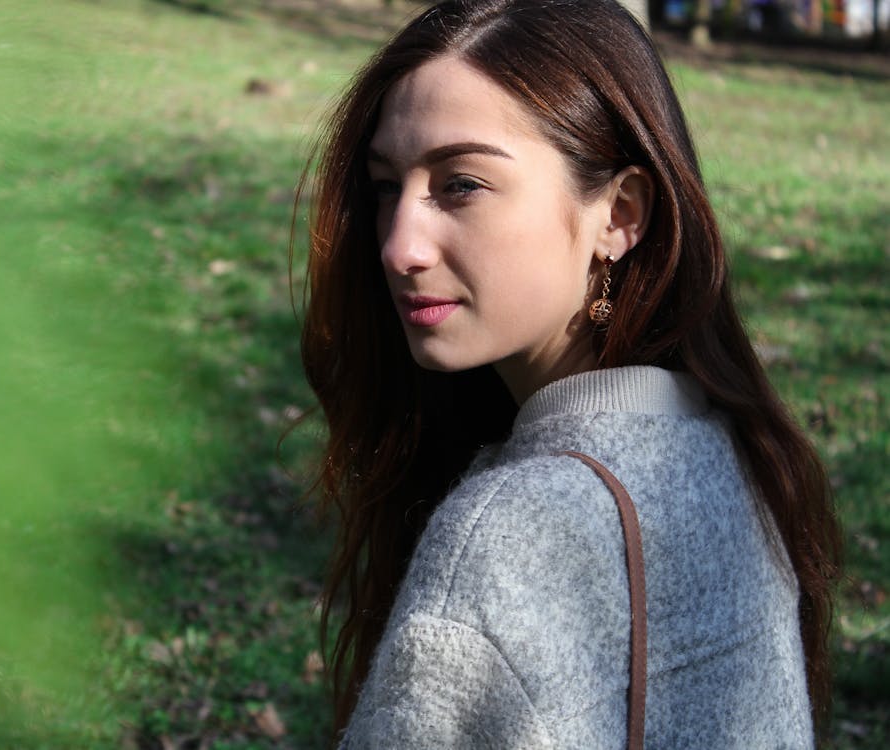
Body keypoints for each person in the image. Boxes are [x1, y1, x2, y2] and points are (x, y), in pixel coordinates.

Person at [296, 0, 842, 746]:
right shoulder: (735, 450)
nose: (399, 246)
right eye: (387, 185)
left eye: (460, 185)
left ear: (618, 214)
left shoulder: (512, 535)